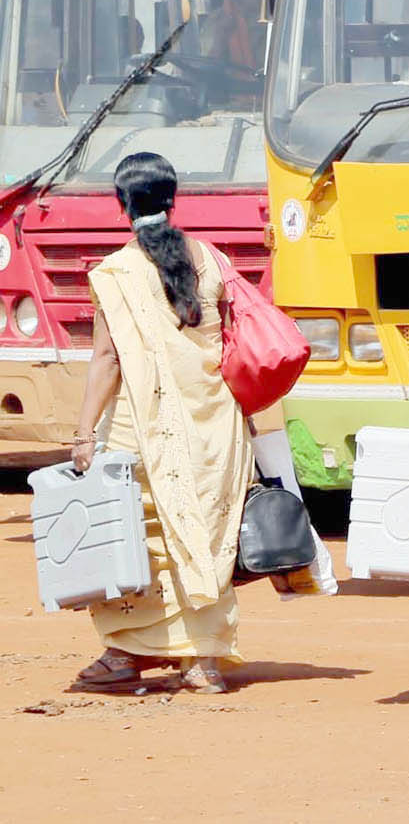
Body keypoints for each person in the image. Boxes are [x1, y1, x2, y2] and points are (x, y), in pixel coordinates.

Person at [70, 152, 250, 695]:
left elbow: (107, 360)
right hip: (219, 425)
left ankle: (125, 654)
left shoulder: (116, 272)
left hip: (144, 426)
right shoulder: (213, 259)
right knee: (206, 536)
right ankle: (203, 661)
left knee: (147, 537)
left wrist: (83, 435)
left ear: (121, 205)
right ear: (174, 199)